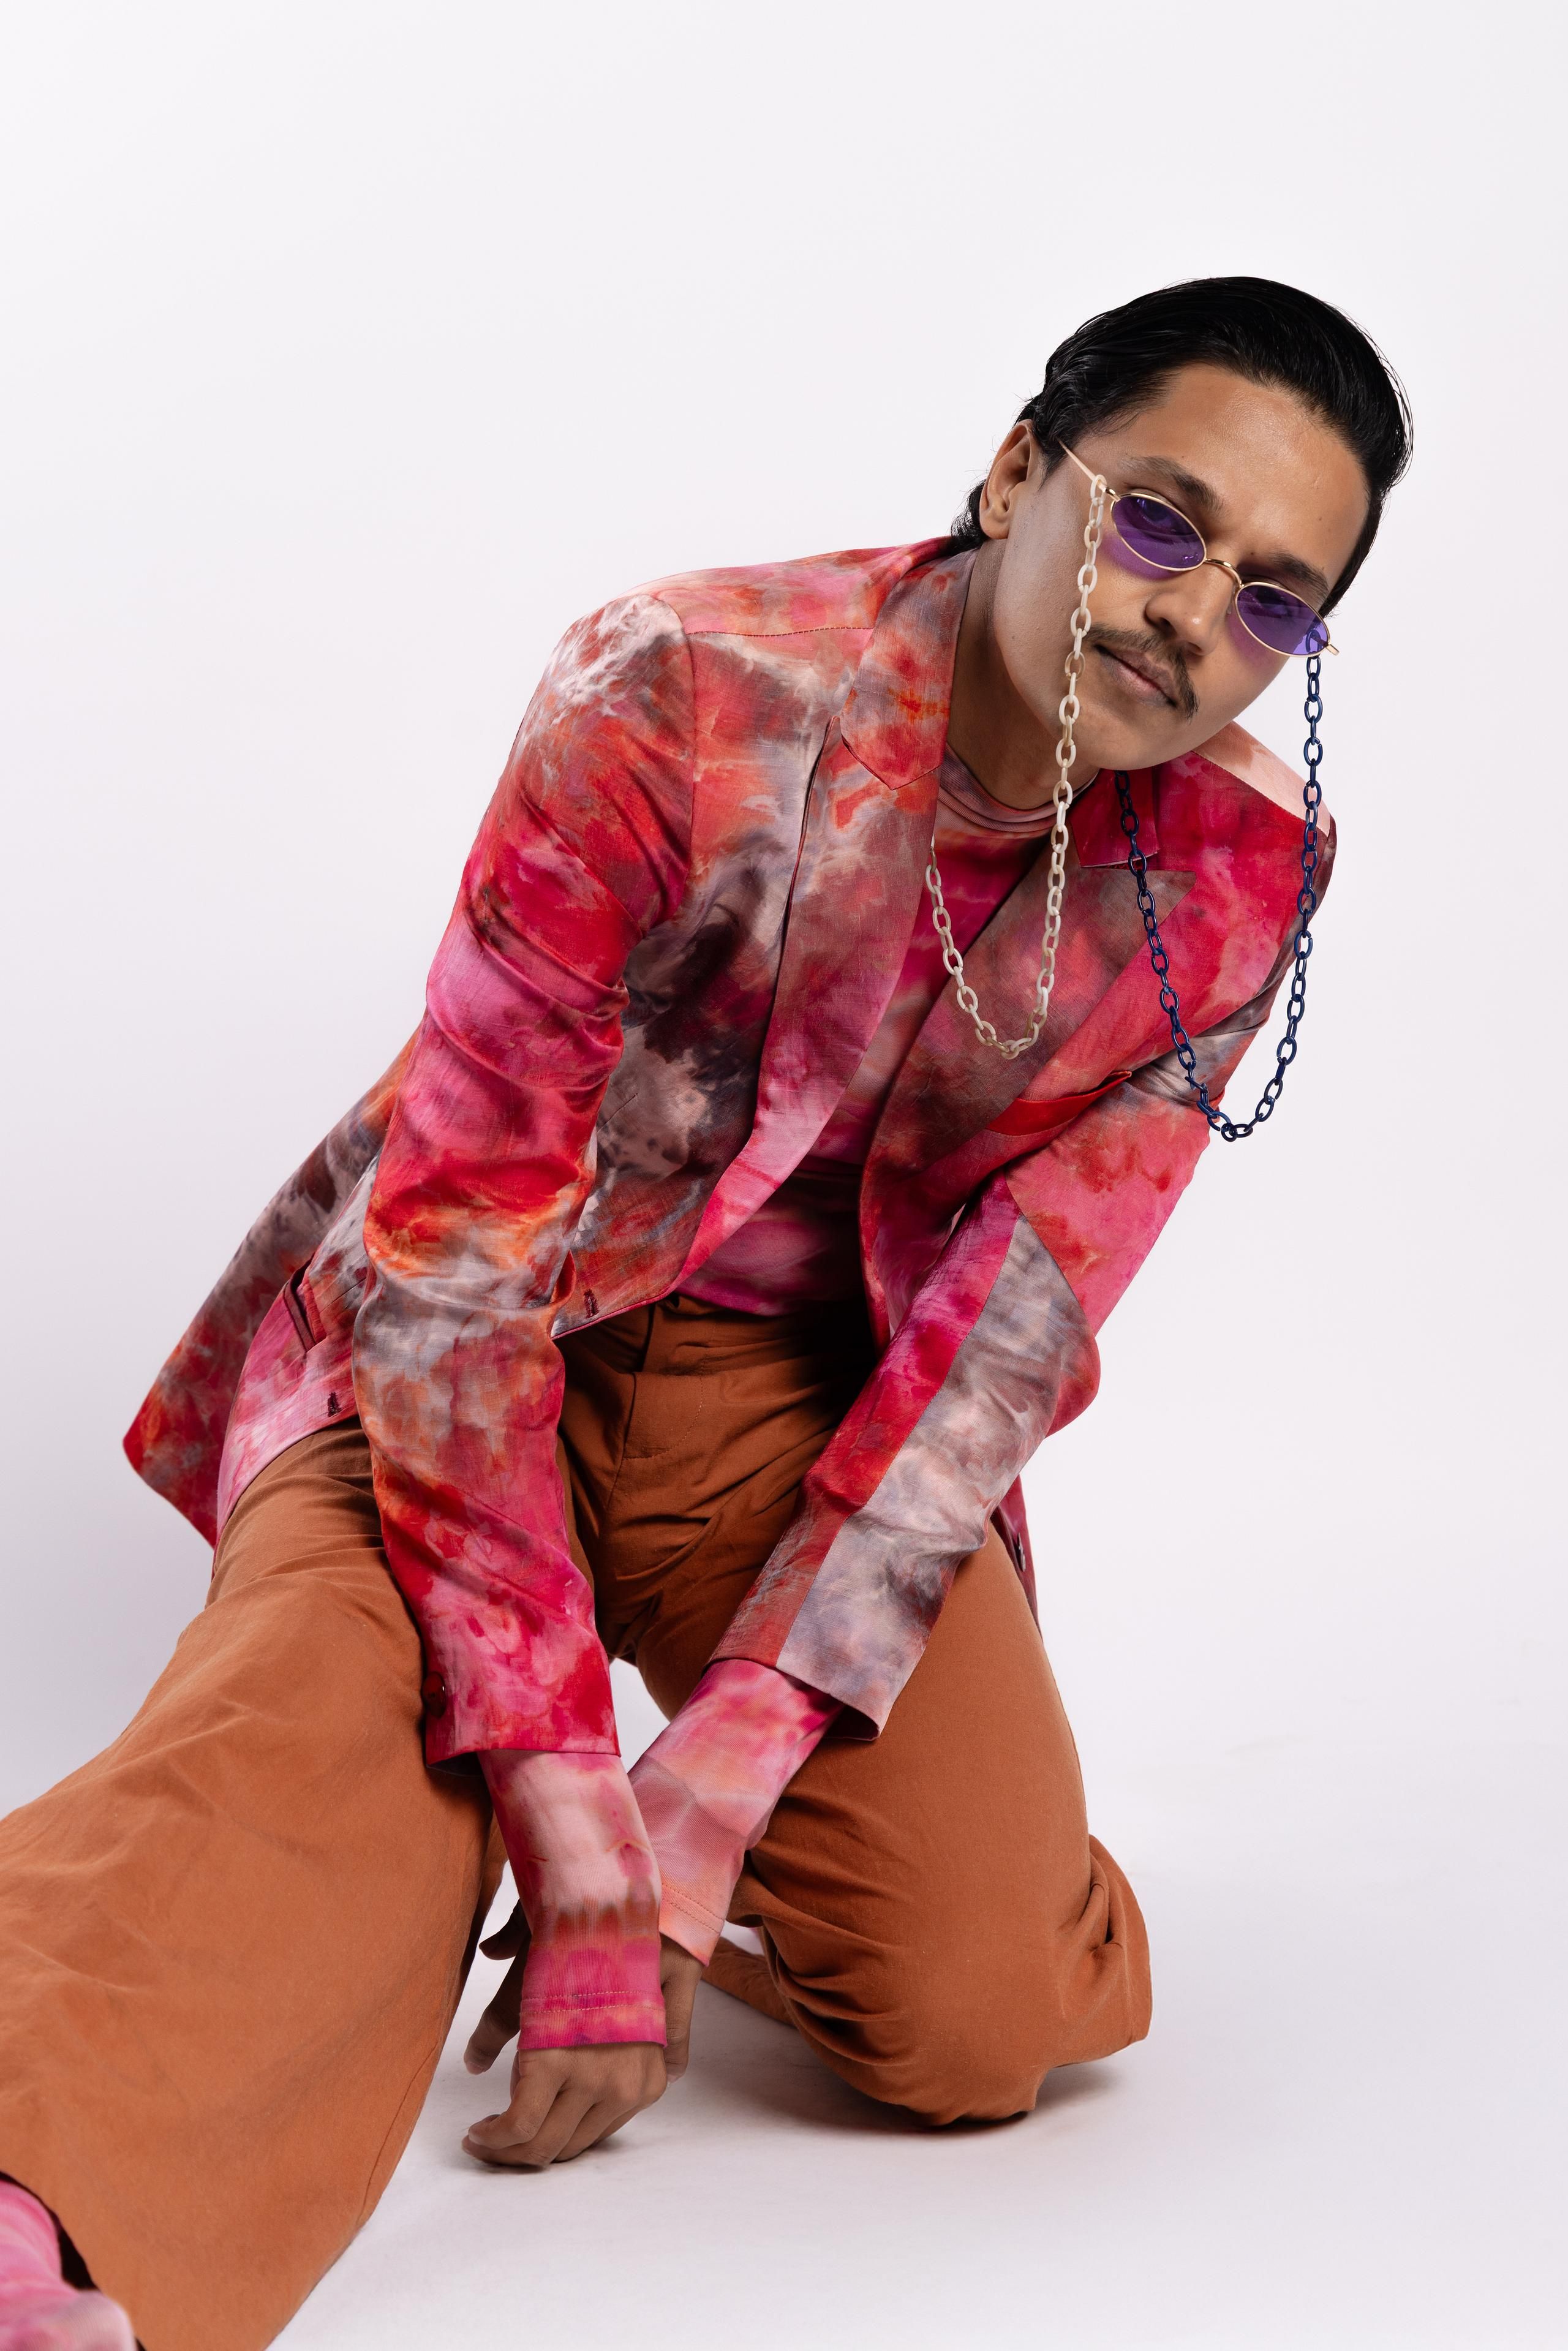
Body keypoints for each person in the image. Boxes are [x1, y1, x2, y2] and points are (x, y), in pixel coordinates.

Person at [0, 276, 1410, 2351]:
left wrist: (697, 1814)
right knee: (323, 1765)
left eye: (1278, 599)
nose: (1197, 616)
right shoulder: (682, 685)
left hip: (804, 1422)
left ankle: (732, 1873)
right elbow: (456, 1251)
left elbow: (1004, 1351)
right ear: (1019, 471)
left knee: (980, 2004)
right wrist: (565, 1798)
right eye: (1159, 522)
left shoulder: (1237, 876)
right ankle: (46, 2190)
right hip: (474, 1359)